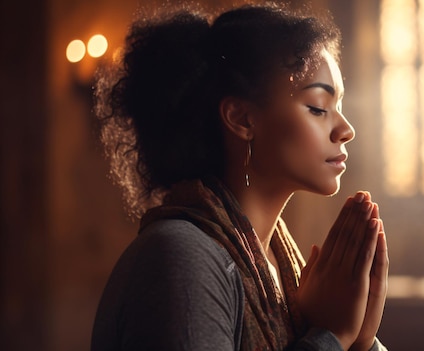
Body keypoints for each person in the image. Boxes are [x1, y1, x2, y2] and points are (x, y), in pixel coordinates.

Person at [91, 2, 388, 351]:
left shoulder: (279, 260)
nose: (345, 129)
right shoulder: (181, 258)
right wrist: (331, 337)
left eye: (339, 107)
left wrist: (361, 342)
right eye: (318, 108)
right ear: (242, 119)